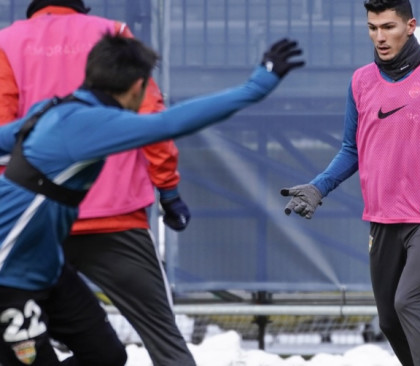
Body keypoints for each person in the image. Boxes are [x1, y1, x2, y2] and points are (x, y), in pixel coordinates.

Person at [0, 34, 303, 365]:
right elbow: (169, 123)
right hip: (8, 277)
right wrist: (256, 86)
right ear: (138, 87)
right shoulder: (91, 122)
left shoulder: (54, 110)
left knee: (107, 356)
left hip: (45, 269)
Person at [280, 1, 420, 364]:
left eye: (388, 27)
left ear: (410, 26)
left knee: (409, 303)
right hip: (383, 218)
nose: (380, 37)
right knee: (389, 319)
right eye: (372, 28)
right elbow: (352, 149)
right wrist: (319, 187)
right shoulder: (360, 81)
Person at [0, 1, 193, 364]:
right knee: (165, 341)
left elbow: (3, 133)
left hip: (36, 222)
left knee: (16, 344)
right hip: (116, 217)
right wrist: (168, 189)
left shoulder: (6, 42)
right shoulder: (114, 35)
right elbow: (151, 118)